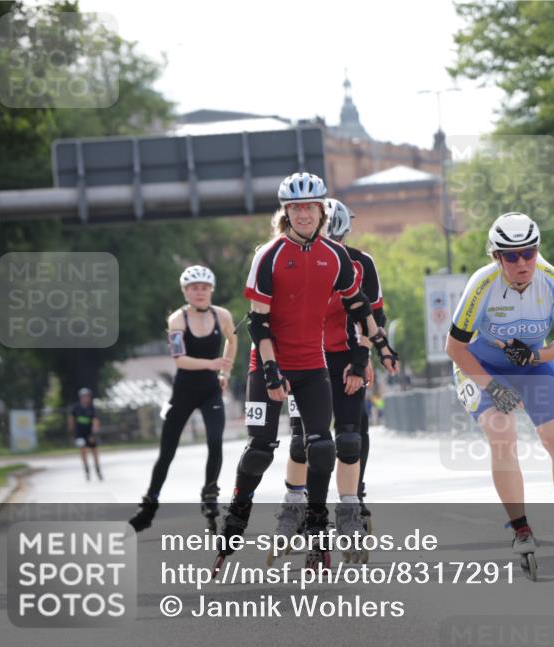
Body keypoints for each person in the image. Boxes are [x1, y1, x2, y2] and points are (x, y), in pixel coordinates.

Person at [215, 172, 398, 572]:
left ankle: (317, 526)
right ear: (287, 212)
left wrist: (378, 348)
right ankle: (235, 519)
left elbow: (360, 306)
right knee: (261, 450)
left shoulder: (336, 257)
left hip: (311, 364)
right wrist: (270, 370)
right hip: (268, 365)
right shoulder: (268, 255)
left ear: (320, 212)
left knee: (322, 447)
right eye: (295, 208)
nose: (303, 214)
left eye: (309, 207)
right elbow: (259, 323)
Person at [445, 212, 554, 579]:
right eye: (511, 256)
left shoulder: (552, 279)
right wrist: (495, 389)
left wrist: (536, 356)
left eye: (529, 252)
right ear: (496, 257)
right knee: (502, 432)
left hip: (530, 361)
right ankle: (520, 527)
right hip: (479, 366)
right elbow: (454, 348)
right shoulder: (482, 284)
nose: (522, 262)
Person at [275, 198, 391, 562]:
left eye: (337, 236)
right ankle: (303, 514)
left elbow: (372, 317)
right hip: (304, 358)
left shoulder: (359, 262)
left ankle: (353, 506)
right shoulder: (290, 257)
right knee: (304, 443)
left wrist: (361, 359)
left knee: (351, 436)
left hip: (342, 357)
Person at [128, 266, 237, 532]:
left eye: (203, 287)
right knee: (167, 452)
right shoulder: (177, 319)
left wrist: (225, 371)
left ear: (211, 290)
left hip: (211, 389)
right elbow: (180, 360)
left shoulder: (222, 315)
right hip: (185, 391)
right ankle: (149, 504)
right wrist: (212, 364)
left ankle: (210, 495)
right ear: (185, 292)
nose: (199, 292)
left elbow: (232, 342)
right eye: (193, 288)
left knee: (215, 441)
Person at [69, 388, 102, 481]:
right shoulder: (76, 407)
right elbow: (71, 419)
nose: (86, 398)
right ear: (81, 397)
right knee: (83, 451)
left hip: (90, 433)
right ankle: (86, 470)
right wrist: (72, 432)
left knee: (94, 451)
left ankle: (97, 469)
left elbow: (96, 420)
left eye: (87, 396)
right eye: (84, 396)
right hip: (79, 433)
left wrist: (94, 432)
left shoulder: (92, 408)